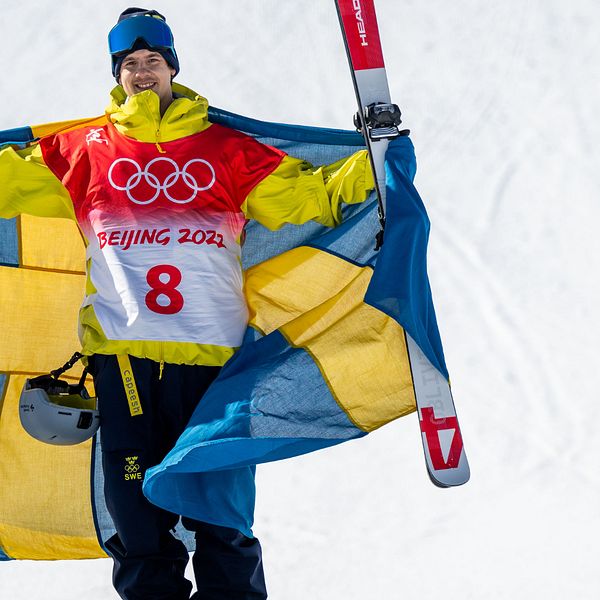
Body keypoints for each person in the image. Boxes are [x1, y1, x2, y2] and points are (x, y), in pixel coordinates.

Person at [0, 7, 374, 599]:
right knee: (138, 519)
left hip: (213, 362)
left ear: (172, 66)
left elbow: (314, 197)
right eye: (130, 63)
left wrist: (377, 160)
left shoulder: (228, 152)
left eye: (153, 60)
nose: (142, 72)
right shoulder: (81, 152)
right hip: (125, 358)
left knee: (220, 516)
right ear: (116, 73)